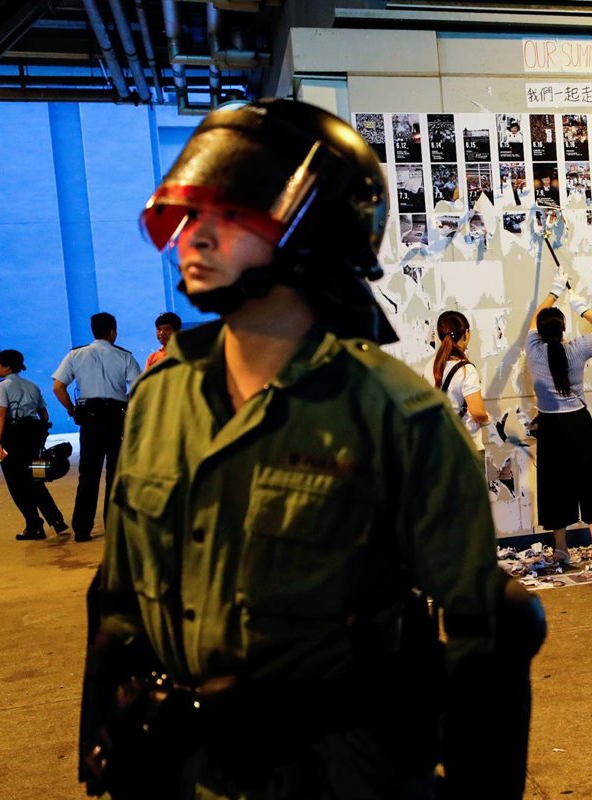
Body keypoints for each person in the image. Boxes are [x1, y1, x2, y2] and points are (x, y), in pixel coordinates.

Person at [80, 99, 545, 800]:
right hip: (182, 770)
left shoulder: (397, 418)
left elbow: (486, 629)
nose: (194, 236)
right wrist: (107, 734)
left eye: (229, 214)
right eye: (193, 213)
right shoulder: (160, 397)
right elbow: (117, 601)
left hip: (339, 777)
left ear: (313, 232)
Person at [526, 271, 592, 571]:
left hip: (550, 427)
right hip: (578, 423)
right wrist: (580, 306)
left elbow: (534, 320)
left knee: (554, 486)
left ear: (541, 331)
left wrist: (553, 292)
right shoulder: (577, 349)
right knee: (588, 481)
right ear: (563, 329)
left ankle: (561, 549)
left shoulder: (534, 351)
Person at [52, 312, 141, 542]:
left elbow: (58, 387)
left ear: (93, 331)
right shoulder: (125, 356)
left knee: (88, 475)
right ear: (113, 332)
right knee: (115, 473)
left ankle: (82, 529)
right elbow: (140, 387)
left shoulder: (75, 355)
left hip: (89, 419)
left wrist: (72, 410)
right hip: (116, 418)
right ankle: (114, 527)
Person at [0, 349, 67, 540]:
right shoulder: (32, 386)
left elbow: (1, 414)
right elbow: (44, 415)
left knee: (16, 484)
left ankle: (34, 525)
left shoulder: (1, 387)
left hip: (13, 438)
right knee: (35, 479)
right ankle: (56, 520)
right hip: (33, 438)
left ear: (7, 367)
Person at [427, 310, 490, 453]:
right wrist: (487, 418)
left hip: (439, 445)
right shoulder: (466, 369)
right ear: (466, 334)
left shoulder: (430, 366)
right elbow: (477, 412)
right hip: (466, 446)